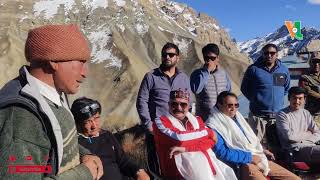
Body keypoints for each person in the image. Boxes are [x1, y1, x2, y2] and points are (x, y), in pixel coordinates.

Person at [0, 24, 103, 179]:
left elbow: (53, 143)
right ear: (54, 61)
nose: (84, 73)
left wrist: (84, 155)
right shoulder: (22, 116)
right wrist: (84, 173)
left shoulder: (53, 95)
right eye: (81, 62)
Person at [206, 91, 300, 180]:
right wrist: (249, 157)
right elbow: (222, 153)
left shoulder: (237, 117)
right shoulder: (213, 125)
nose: (234, 108)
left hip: (257, 157)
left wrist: (262, 150)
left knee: (295, 178)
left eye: (236, 105)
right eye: (230, 105)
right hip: (240, 164)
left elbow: (248, 141)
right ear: (219, 105)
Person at [153, 89, 237, 180]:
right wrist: (208, 132)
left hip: (208, 168)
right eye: (174, 104)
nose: (179, 108)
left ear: (188, 106)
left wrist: (186, 148)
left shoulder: (197, 120)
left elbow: (211, 142)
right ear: (168, 104)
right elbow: (179, 139)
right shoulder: (160, 122)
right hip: (178, 174)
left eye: (183, 104)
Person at [136, 42, 191, 175]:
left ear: (178, 58)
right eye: (164, 54)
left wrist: (188, 123)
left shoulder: (183, 78)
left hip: (179, 129)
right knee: (159, 166)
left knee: (182, 163)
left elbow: (189, 102)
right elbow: (141, 101)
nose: (167, 57)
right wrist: (149, 124)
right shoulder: (151, 76)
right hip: (158, 129)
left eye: (171, 54)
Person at [71, 97, 150, 180]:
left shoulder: (106, 135)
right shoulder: (76, 144)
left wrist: (139, 171)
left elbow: (123, 160)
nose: (94, 125)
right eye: (88, 121)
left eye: (96, 118)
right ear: (78, 123)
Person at [241, 43, 290, 149]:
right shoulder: (253, 69)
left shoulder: (283, 70)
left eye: (272, 53)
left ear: (277, 54)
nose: (269, 55)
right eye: (266, 53)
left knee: (277, 147)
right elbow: (244, 88)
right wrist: (256, 100)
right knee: (256, 147)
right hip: (258, 117)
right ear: (262, 54)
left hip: (276, 116)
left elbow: (285, 88)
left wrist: (278, 99)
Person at [276, 87, 320, 164]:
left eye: (300, 98)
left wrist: (305, 140)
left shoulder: (305, 113)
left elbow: (318, 133)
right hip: (294, 150)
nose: (297, 101)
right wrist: (308, 133)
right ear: (289, 99)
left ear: (304, 100)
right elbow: (290, 137)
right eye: (294, 98)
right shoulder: (282, 114)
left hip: (311, 146)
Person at [190, 43, 231, 121]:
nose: (209, 60)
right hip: (205, 119)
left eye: (212, 58)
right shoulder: (197, 74)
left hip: (223, 118)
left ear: (217, 58)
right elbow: (196, 89)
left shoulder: (224, 74)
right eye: (206, 58)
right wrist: (206, 71)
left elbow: (228, 93)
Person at [299, 51, 320, 127]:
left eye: (318, 62)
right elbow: (307, 91)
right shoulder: (305, 76)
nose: (316, 65)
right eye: (314, 62)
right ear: (310, 62)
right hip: (313, 113)